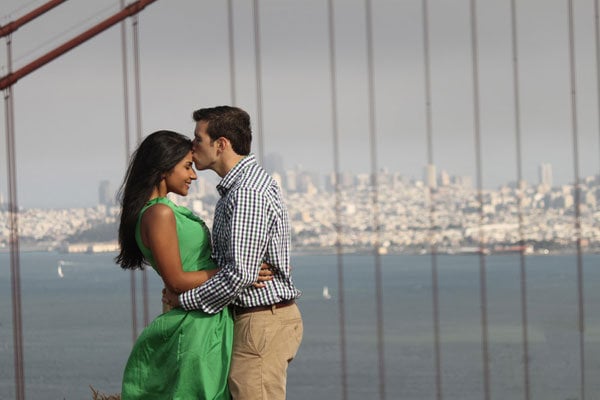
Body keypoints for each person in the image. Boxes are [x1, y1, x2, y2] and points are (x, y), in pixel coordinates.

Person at [114, 130, 271, 399]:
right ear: (164, 168)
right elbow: (175, 280)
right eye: (187, 166)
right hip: (196, 326)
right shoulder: (159, 213)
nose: (194, 175)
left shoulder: (161, 210)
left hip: (205, 318)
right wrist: (237, 273)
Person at [164, 106, 303, 400]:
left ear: (221, 144)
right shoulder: (242, 188)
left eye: (198, 139)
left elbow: (240, 272)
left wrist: (184, 300)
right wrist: (240, 272)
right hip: (259, 320)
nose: (193, 146)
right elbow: (242, 270)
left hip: (260, 322)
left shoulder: (246, 193)